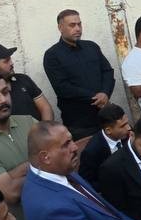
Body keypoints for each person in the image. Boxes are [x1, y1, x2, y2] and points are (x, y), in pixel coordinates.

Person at [42, 9, 115, 139]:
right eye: (72, 25)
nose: (77, 29)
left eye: (79, 24)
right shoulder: (52, 55)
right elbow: (62, 87)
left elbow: (107, 72)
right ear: (60, 28)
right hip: (80, 123)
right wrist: (96, 97)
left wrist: (105, 93)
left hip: (106, 115)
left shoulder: (92, 47)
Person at [0, 72, 37, 220]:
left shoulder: (29, 122)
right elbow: (10, 193)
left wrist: (13, 174)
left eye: (5, 92)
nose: (3, 100)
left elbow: (62, 159)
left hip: (56, 219)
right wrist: (41, 163)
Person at [0, 43, 53, 120]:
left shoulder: (23, 79)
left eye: (10, 59)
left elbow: (45, 108)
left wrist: (46, 126)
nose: (11, 63)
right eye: (6, 61)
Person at [77, 103, 131, 189]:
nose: (128, 128)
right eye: (123, 126)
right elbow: (85, 181)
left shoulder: (127, 135)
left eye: (127, 123)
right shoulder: (92, 152)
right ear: (108, 130)